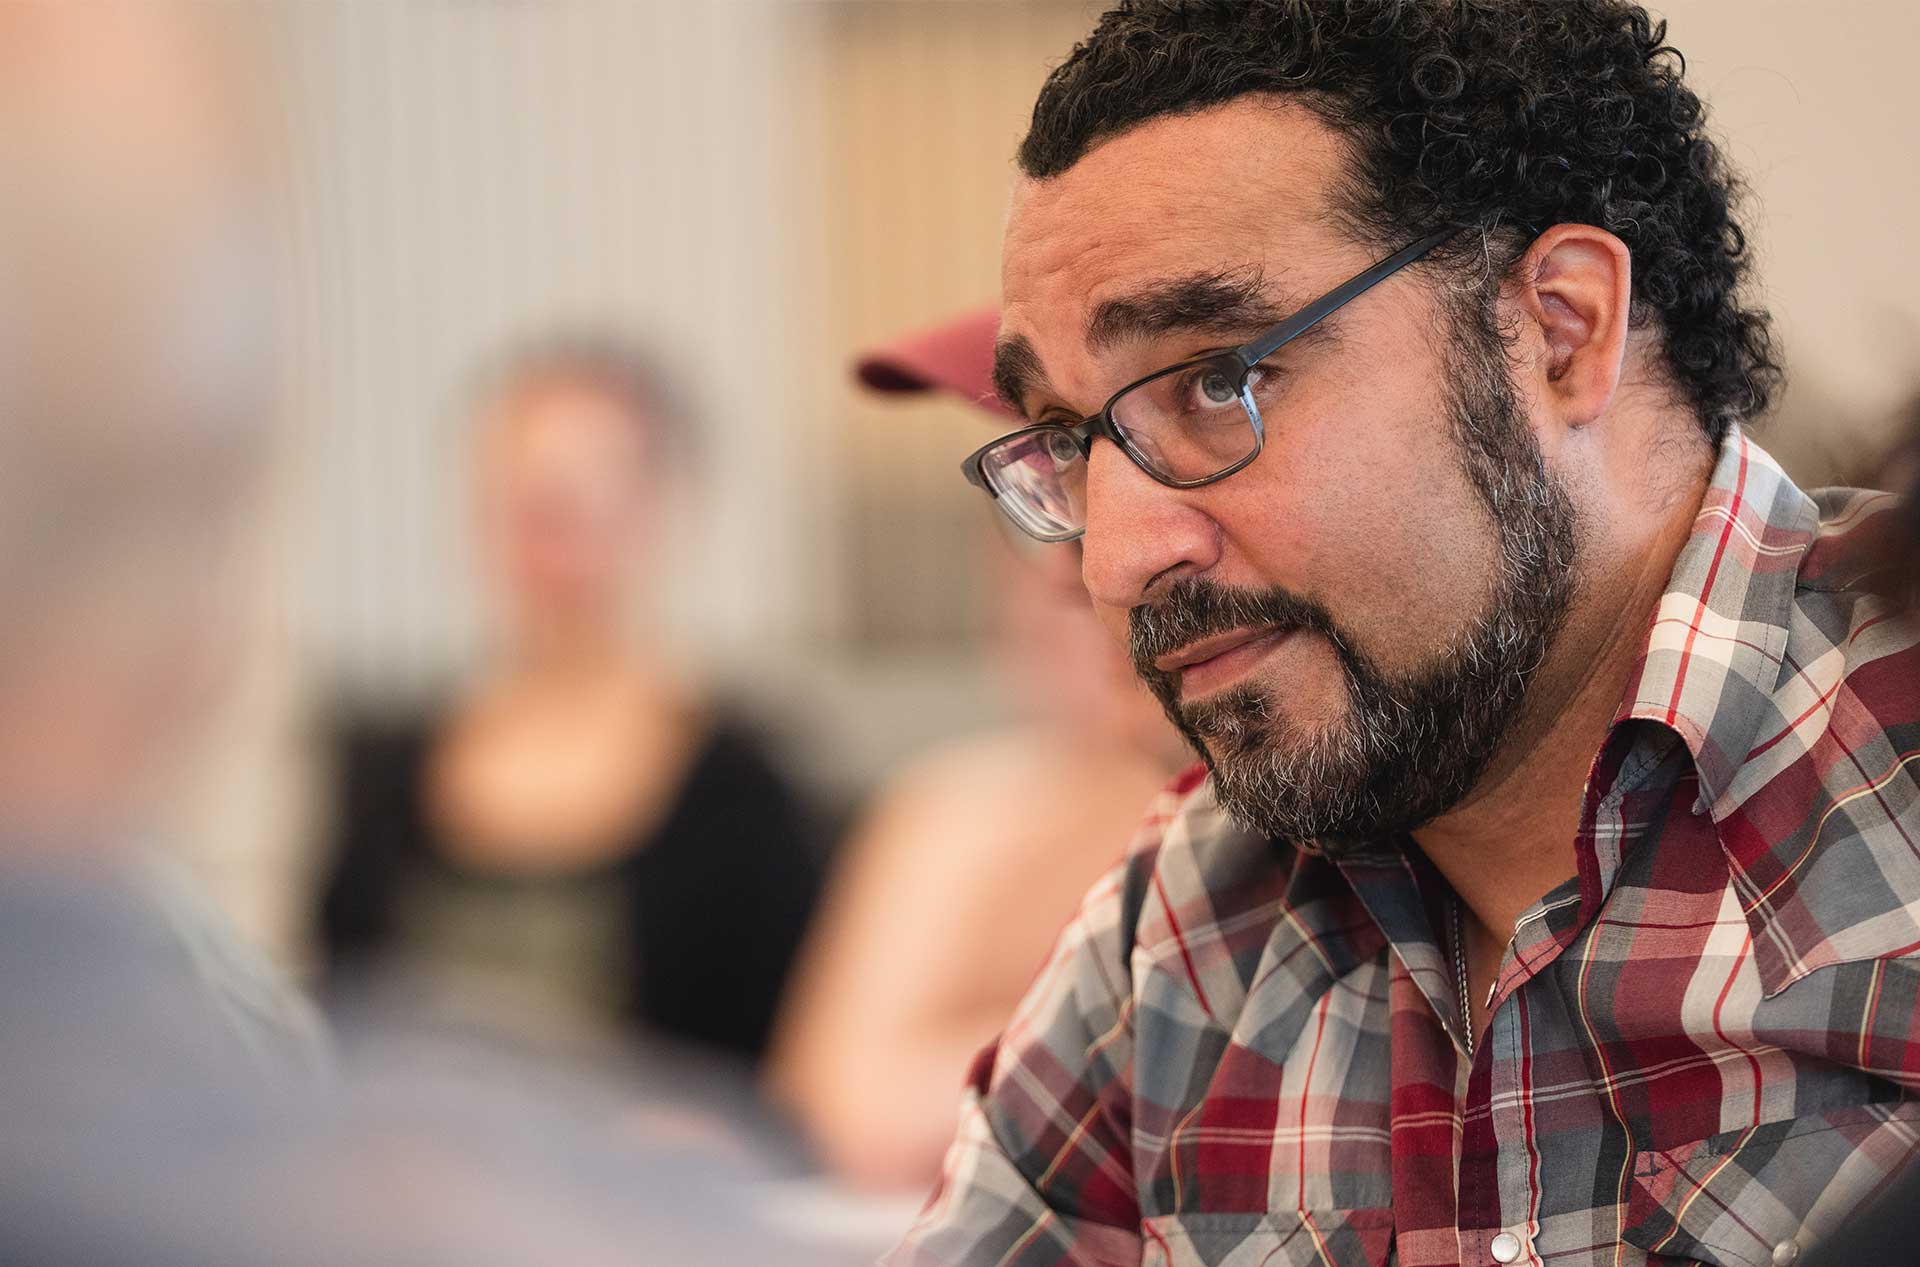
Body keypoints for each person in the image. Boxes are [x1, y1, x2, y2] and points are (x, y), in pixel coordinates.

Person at [887, 4, 1920, 1265]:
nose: (1114, 560)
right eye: (1067, 442)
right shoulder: (1185, 944)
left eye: (1221, 381)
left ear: (1561, 327)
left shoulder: (1895, 768)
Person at [769, 309, 1190, 1191]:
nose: (1055, 576)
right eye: (1025, 497)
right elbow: (833, 1117)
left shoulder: (1301, 818)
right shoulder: (958, 803)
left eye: (1086, 481)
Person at [316, 340, 826, 1065]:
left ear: (657, 513)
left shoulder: (741, 793)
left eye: (575, 512)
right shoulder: (389, 779)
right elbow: (339, 1021)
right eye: (518, 511)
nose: (546, 551)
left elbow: (781, 1064)